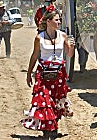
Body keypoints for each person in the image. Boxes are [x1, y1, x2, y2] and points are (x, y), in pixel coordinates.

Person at [21, 7, 75, 138]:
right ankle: (46, 129)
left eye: (59, 20)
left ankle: (53, 125)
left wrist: (72, 46)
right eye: (57, 20)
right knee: (44, 101)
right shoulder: (39, 38)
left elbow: (69, 54)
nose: (59, 22)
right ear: (49, 21)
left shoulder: (62, 36)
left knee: (57, 101)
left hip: (59, 74)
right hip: (44, 74)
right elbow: (34, 56)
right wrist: (29, 74)